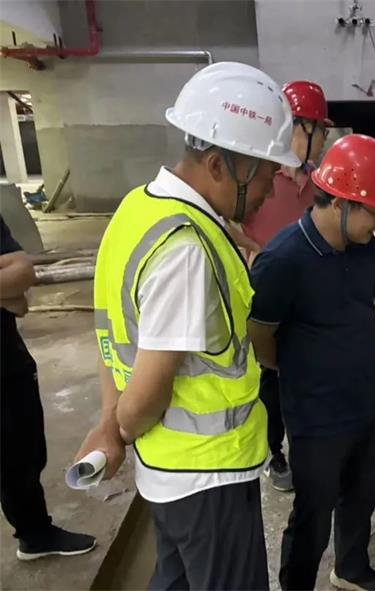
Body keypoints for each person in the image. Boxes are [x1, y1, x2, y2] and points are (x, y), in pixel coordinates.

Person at [74, 62, 300, 590]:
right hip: (208, 478)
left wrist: (109, 418)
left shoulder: (139, 209)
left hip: (170, 474)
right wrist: (117, 429)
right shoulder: (185, 253)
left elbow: (112, 339)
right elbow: (149, 390)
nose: (272, 190)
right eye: (266, 174)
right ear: (219, 165)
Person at [248, 134, 375, 591]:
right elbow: (260, 338)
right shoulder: (283, 260)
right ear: (340, 203)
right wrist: (299, 373)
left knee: (362, 494)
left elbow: (368, 302)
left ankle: (350, 568)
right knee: (313, 513)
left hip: (367, 400)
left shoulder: (365, 246)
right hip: (316, 415)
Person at [230, 80, 332, 493]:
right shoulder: (260, 176)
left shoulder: (318, 182)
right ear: (298, 128)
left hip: (307, 297)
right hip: (265, 297)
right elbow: (221, 220)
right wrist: (255, 249)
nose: (324, 140)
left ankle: (308, 441)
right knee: (269, 380)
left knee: (305, 373)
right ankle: (273, 451)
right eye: (320, 130)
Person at [0, 216, 96, 561]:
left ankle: (35, 533)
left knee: (22, 451)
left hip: (7, 360)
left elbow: (22, 273)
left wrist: (12, 292)